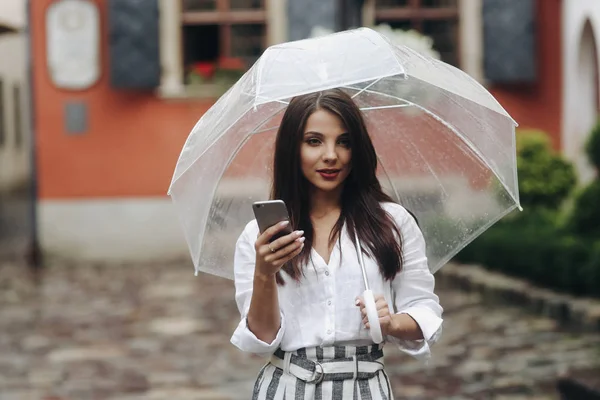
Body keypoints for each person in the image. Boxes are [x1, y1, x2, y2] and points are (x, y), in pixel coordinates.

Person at [230, 88, 443, 400]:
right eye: (314, 141)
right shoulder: (261, 236)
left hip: (365, 388)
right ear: (293, 148)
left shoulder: (393, 223)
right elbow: (262, 338)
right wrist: (264, 272)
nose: (331, 155)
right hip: (287, 388)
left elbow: (426, 311)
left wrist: (391, 322)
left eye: (344, 142)